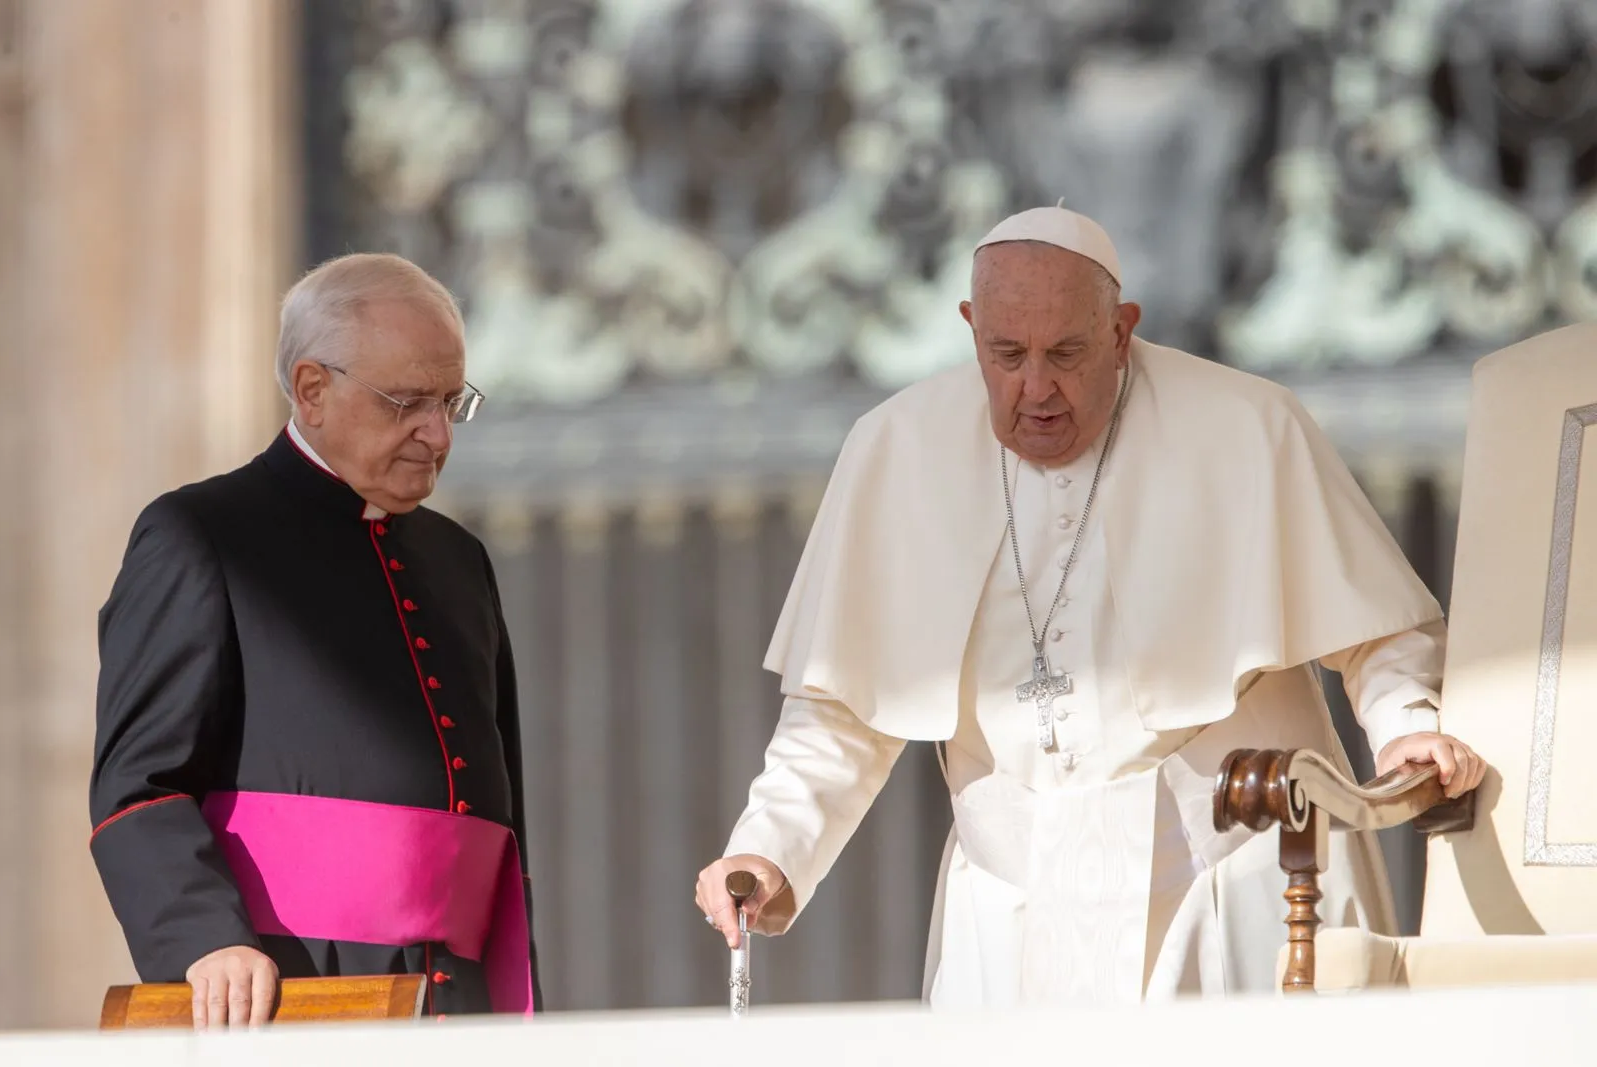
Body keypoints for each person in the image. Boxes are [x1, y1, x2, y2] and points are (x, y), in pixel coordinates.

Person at [695, 204, 1487, 1007]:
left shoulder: (1248, 425)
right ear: (971, 327)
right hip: (1009, 911)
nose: (1035, 387)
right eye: (1005, 354)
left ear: (1121, 331)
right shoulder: (895, 449)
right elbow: (840, 707)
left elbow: (1375, 630)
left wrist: (1405, 728)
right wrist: (767, 847)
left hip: (1221, 889)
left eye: (1066, 352)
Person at [90, 253, 539, 1026]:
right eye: (407, 402)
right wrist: (204, 940)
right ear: (312, 389)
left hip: (461, 998)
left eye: (450, 401)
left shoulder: (459, 560)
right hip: (297, 984)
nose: (436, 433)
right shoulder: (202, 536)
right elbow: (137, 786)